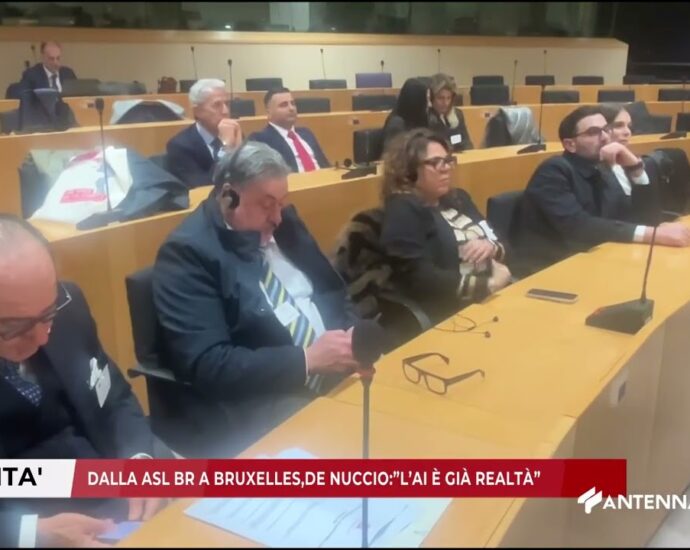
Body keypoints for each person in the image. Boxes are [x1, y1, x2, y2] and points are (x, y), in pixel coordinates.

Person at [153, 142, 362, 457]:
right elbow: (210, 363)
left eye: (281, 203)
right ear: (229, 196)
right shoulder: (188, 254)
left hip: (338, 367)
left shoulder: (284, 223)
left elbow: (330, 289)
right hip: (267, 394)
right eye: (266, 205)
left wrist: (353, 334)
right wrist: (307, 360)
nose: (277, 217)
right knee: (349, 447)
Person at [0, 215, 167, 547]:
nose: (42, 338)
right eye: (15, 327)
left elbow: (114, 398)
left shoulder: (68, 307)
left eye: (47, 314)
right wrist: (30, 534)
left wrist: (139, 460)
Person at [514, 105, 690, 276]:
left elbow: (642, 219)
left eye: (606, 130)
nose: (605, 138)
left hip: (596, 259)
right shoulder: (553, 171)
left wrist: (635, 169)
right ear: (570, 144)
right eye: (593, 132)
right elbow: (578, 227)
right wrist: (653, 235)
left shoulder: (603, 168)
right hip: (550, 269)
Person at [379, 128, 511, 325]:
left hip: (495, 296)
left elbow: (502, 241)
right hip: (454, 312)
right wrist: (489, 285)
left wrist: (491, 246)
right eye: (435, 162)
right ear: (409, 171)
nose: (446, 168)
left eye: (448, 161)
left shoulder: (459, 198)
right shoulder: (402, 210)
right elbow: (420, 279)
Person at [166, 78, 243, 188]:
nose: (225, 111)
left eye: (227, 104)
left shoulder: (234, 133)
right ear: (197, 111)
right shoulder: (179, 146)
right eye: (217, 105)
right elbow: (203, 187)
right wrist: (226, 148)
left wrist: (242, 154)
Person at [248, 88, 329, 173]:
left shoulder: (306, 133)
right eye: (283, 105)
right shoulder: (260, 140)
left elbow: (325, 165)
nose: (291, 108)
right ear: (269, 112)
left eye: (293, 103)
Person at [427, 73, 473, 152]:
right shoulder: (427, 119)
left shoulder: (458, 115)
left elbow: (467, 144)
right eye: (440, 98)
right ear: (431, 98)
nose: (446, 103)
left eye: (448, 98)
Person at [382, 78, 431, 148]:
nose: (429, 104)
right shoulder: (396, 124)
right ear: (415, 100)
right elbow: (395, 152)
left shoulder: (420, 118)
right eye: (426, 99)